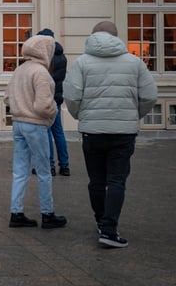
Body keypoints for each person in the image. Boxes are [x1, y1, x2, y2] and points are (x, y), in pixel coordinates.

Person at [63, 21, 157, 248]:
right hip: (123, 133)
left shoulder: (81, 63)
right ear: (117, 37)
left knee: (96, 181)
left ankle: (100, 221)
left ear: (92, 36)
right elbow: (150, 96)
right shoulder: (134, 63)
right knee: (117, 180)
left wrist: (81, 116)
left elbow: (72, 97)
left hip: (92, 132)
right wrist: (134, 116)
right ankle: (109, 228)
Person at [4, 34, 67, 229]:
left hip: (18, 122)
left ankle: (16, 212)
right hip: (36, 124)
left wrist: (19, 109)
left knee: (20, 170)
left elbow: (7, 98)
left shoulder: (20, 70)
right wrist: (52, 113)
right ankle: (47, 213)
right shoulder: (41, 72)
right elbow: (43, 105)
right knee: (44, 171)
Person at [36, 28, 70, 176]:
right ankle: (65, 166)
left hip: (46, 98)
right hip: (56, 98)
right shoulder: (61, 56)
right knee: (58, 133)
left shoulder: (45, 58)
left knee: (46, 132)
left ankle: (49, 165)